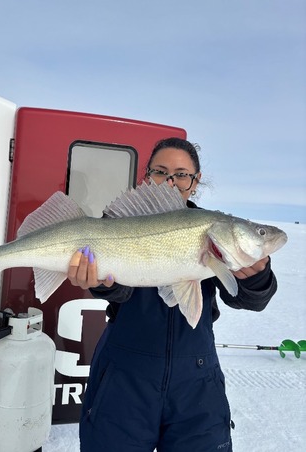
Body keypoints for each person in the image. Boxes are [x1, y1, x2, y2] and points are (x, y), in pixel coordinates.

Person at [67, 137, 278, 452]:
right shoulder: (121, 222)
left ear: (195, 181)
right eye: (160, 172)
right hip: (124, 372)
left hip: (196, 378)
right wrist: (100, 281)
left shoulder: (214, 229)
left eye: (181, 174)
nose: (171, 181)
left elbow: (246, 299)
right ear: (147, 175)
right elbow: (118, 291)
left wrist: (257, 278)